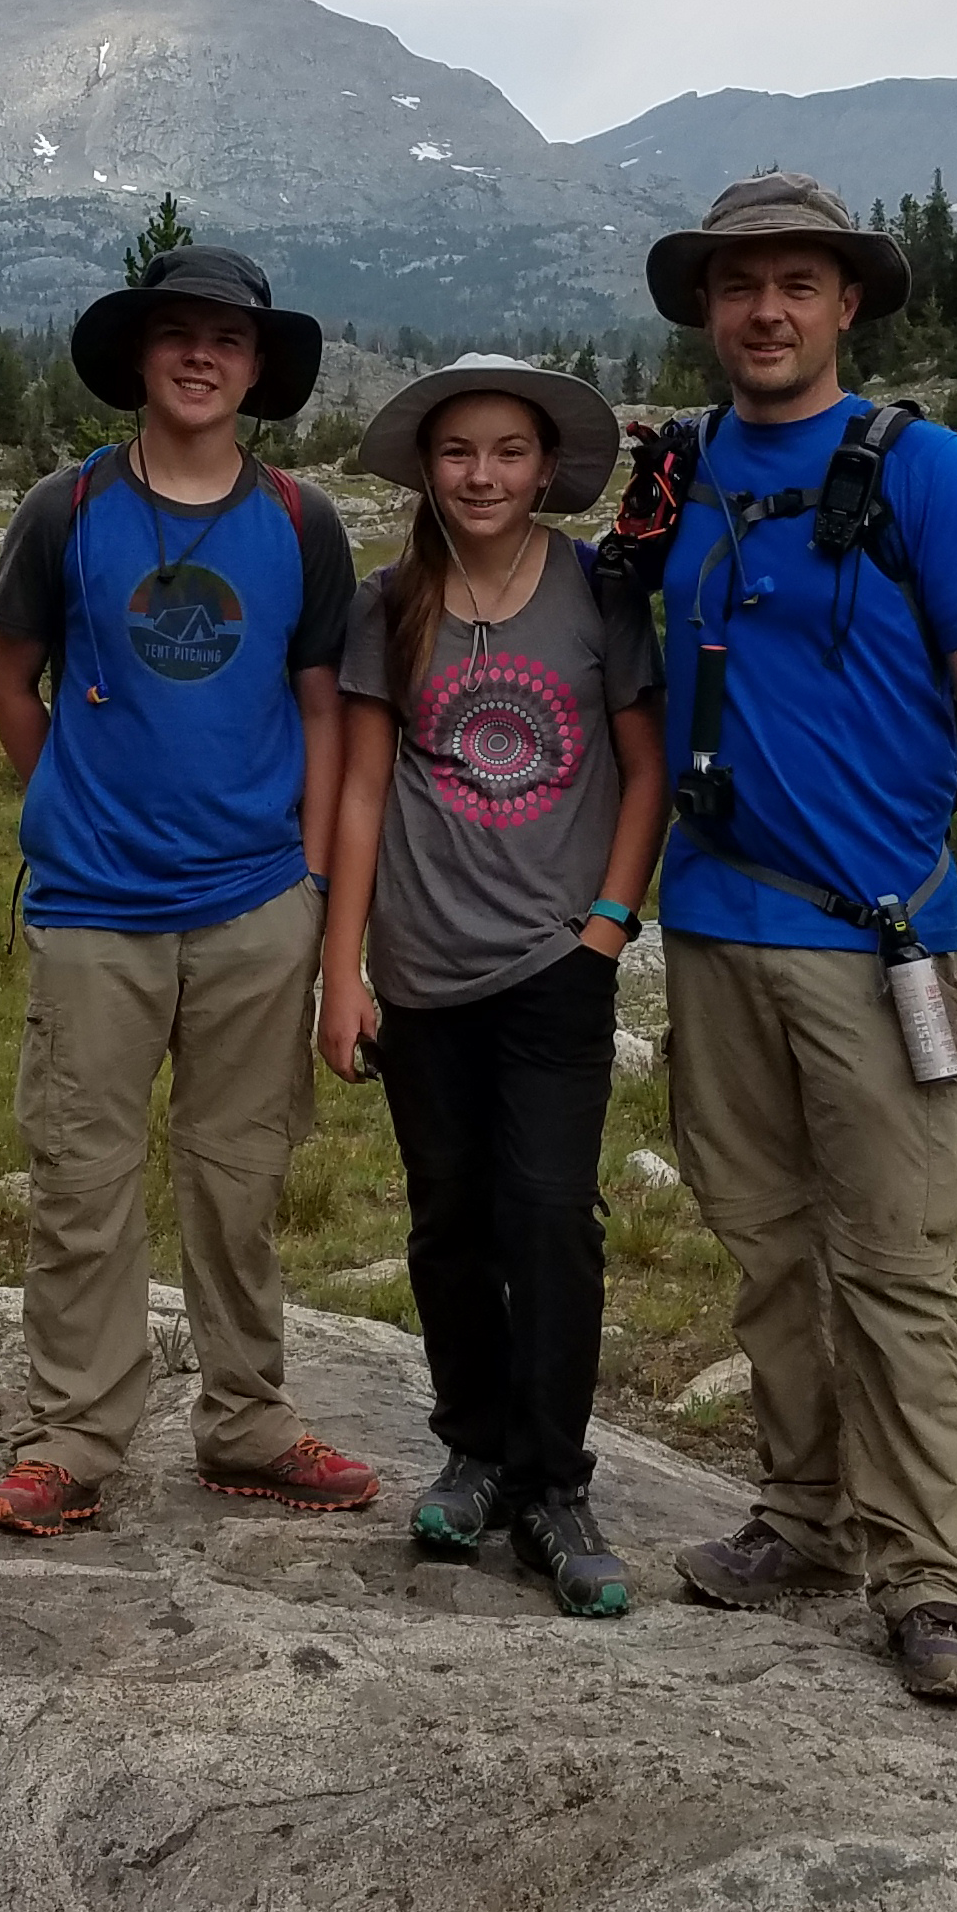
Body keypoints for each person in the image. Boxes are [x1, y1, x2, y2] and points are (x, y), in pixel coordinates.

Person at [627, 173, 957, 1705]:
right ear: (707, 308)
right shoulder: (672, 479)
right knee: (762, 1249)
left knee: (896, 1261)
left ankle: (925, 1581)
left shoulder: (921, 471)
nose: (765, 312)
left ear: (845, 304)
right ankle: (802, 1517)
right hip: (714, 925)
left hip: (877, 940)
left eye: (796, 284)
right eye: (739, 287)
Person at [0, 243, 378, 1536]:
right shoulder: (67, 510)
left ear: (258, 369)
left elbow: (321, 710)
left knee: (239, 1176)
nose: (201, 355)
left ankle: (246, 1422)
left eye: (228, 338)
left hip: (257, 906)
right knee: (83, 1178)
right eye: (177, 334)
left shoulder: (304, 525)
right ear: (141, 357)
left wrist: (309, 885)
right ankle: (75, 1441)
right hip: (93, 910)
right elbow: (7, 679)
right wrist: (70, 800)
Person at [317, 357, 663, 1618]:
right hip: (420, 970)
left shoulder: (593, 590)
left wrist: (610, 928)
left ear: (546, 466)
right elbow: (359, 791)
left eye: (508, 452)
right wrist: (341, 971)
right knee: (447, 1217)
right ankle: (470, 1452)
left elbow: (643, 767)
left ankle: (555, 1483)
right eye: (459, 452)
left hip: (554, 967)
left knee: (551, 1220)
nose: (483, 475)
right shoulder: (389, 602)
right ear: (426, 466)